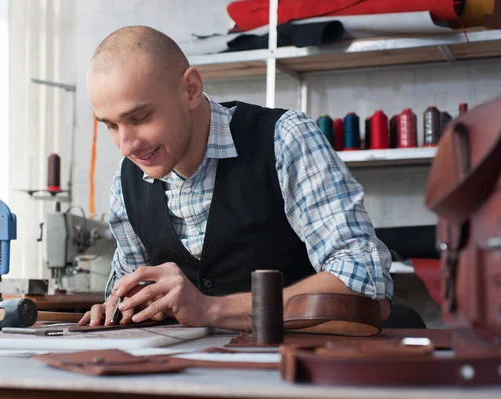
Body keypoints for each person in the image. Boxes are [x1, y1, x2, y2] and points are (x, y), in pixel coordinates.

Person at [79, 25, 393, 331]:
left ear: (191, 89)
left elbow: (365, 282)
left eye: (140, 118)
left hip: (299, 369)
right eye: (111, 125)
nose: (126, 145)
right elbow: (129, 290)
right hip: (189, 373)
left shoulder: (284, 139)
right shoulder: (126, 183)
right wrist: (119, 308)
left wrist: (210, 309)